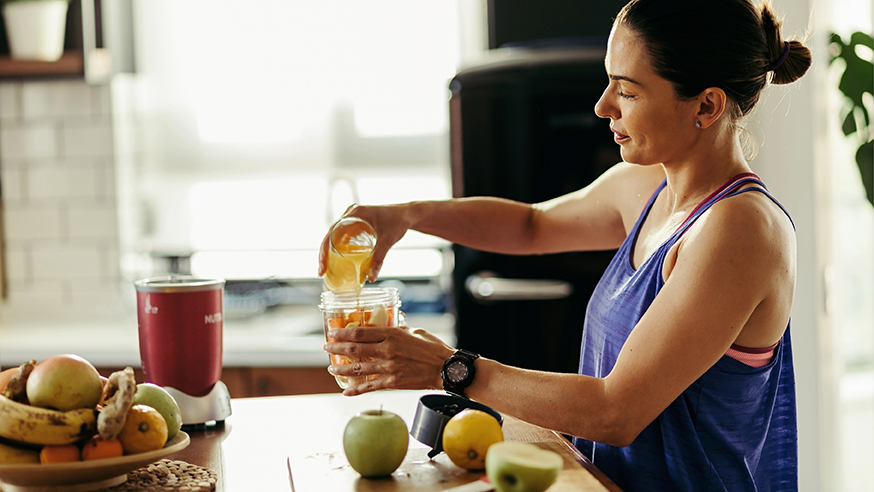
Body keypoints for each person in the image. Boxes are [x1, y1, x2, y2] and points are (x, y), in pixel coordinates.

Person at [318, 0, 811, 490]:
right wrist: (406, 215)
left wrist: (449, 368)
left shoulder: (741, 230)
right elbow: (531, 225)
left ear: (706, 105)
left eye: (628, 91)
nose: (603, 106)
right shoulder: (646, 187)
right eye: (609, 81)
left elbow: (615, 410)